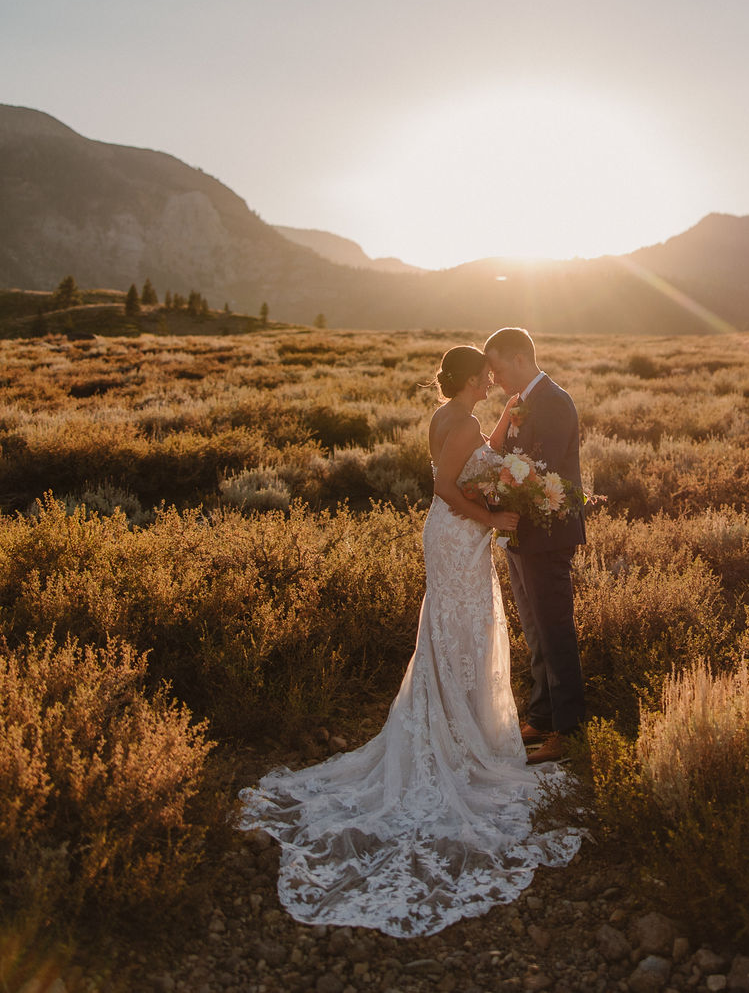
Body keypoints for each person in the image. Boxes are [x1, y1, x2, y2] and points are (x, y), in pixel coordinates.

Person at [235, 344, 580, 937]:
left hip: (456, 536)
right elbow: (448, 484)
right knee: (458, 628)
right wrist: (494, 516)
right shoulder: (462, 422)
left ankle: (457, 715)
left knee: (456, 629)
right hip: (457, 532)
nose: (494, 383)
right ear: (475, 379)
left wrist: (506, 430)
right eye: (488, 377)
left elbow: (483, 451)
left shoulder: (452, 416)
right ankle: (455, 726)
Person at [483, 327, 586, 764]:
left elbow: (537, 470)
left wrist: (491, 494)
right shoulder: (524, 402)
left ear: (521, 359)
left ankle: (570, 730)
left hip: (547, 535)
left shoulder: (555, 403)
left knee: (556, 629)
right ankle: (543, 716)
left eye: (499, 368)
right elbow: (514, 462)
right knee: (535, 631)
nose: (496, 378)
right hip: (520, 533)